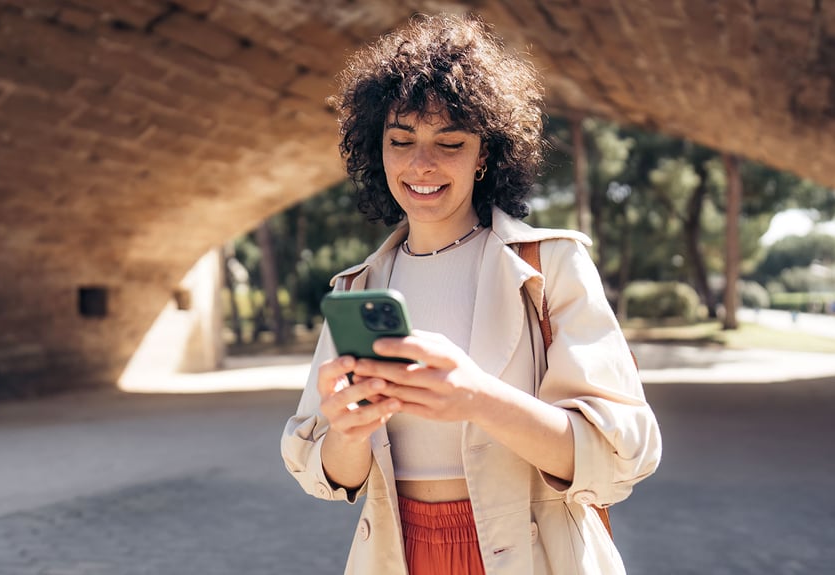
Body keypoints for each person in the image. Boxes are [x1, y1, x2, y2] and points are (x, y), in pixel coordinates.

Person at [281, 14, 661, 575]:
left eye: (450, 142)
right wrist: (348, 429)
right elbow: (328, 474)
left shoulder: (553, 264)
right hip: (395, 556)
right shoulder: (356, 289)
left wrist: (477, 398)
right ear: (376, 150)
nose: (421, 164)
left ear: (485, 153)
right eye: (400, 140)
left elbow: (624, 455)